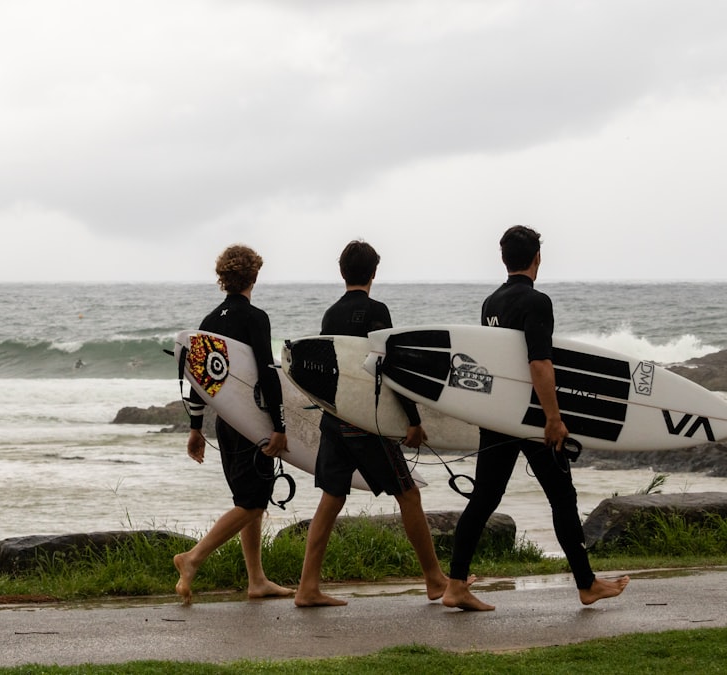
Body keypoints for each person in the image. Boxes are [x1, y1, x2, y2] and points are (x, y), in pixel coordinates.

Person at [441, 225, 630, 611]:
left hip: (499, 417)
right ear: (537, 258)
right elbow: (539, 363)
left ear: (504, 258)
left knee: (484, 498)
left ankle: (456, 584)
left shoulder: (490, 303)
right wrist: (554, 418)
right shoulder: (537, 302)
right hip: (531, 419)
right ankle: (586, 584)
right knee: (563, 497)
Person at [294, 240, 452, 607]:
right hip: (367, 424)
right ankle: (434, 579)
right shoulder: (378, 310)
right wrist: (413, 421)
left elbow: (326, 370)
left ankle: (307, 587)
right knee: (408, 495)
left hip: (336, 419)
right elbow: (391, 366)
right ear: (375, 272)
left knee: (330, 500)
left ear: (342, 272)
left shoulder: (330, 315)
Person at [173, 244, 294, 605]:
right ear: (254, 276)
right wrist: (280, 425)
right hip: (252, 423)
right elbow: (267, 374)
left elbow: (200, 381)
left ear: (222, 278)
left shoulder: (209, 322)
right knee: (253, 503)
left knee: (248, 499)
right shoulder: (256, 318)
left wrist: (196, 428)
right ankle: (192, 559)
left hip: (226, 423)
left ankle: (256, 579)